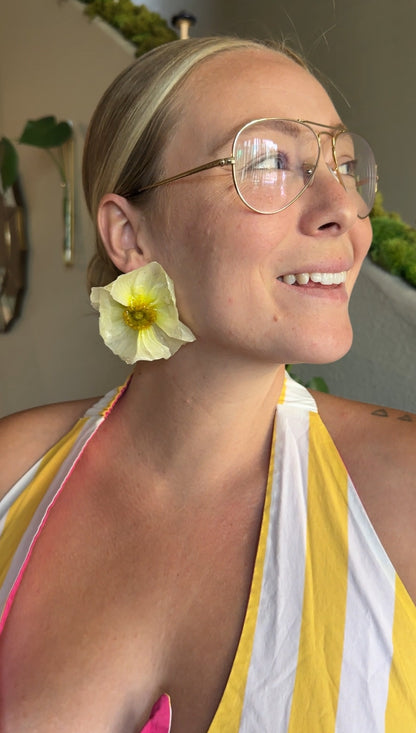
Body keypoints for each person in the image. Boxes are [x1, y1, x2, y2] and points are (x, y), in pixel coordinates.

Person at [0, 34, 415, 733]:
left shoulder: (404, 497)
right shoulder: (11, 472)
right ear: (130, 236)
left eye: (345, 166)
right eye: (268, 161)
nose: (343, 209)